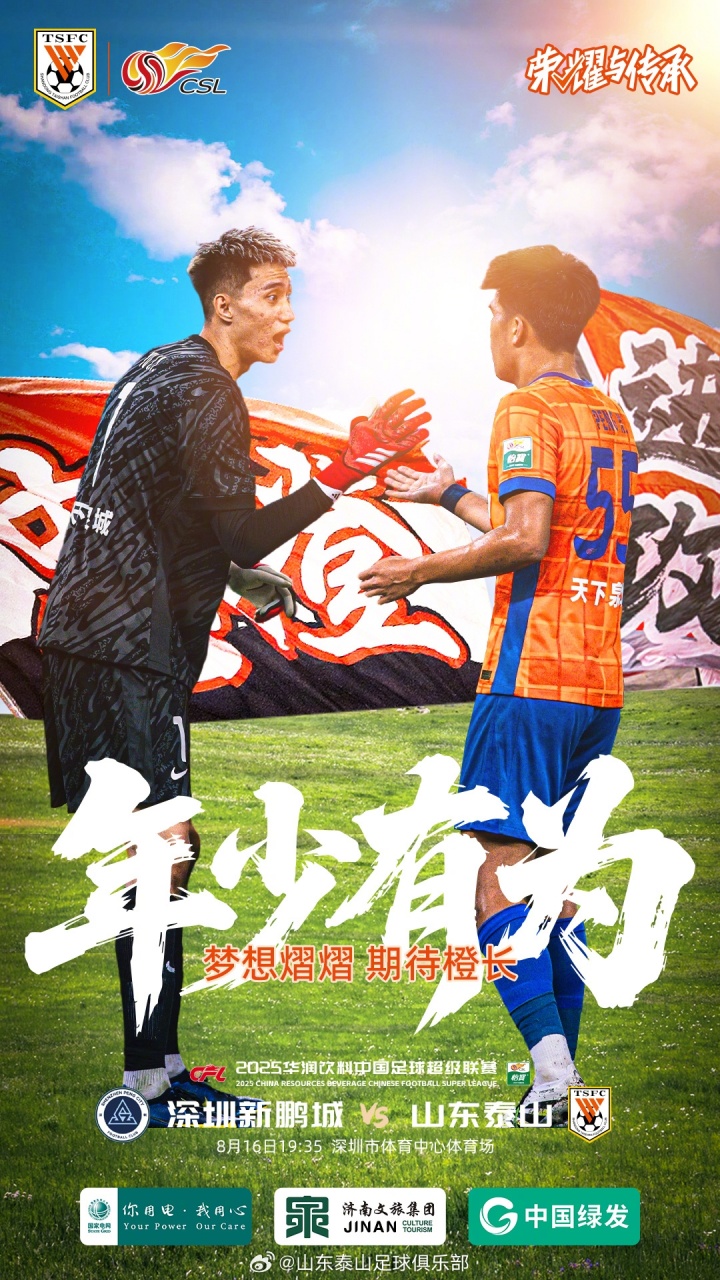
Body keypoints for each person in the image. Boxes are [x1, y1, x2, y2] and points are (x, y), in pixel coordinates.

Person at [40, 225, 430, 1127]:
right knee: (162, 849)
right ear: (224, 304)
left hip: (92, 635)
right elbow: (241, 528)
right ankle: (152, 1083)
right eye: (270, 296)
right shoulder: (210, 391)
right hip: (127, 644)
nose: (287, 315)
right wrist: (345, 471)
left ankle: (161, 1067)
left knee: (165, 848)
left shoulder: (154, 368)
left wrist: (240, 577)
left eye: (291, 296)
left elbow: (160, 509)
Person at [360, 244, 637, 1125]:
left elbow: (523, 540)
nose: (488, 330)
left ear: (515, 323)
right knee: (553, 879)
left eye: (490, 314)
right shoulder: (610, 416)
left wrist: (416, 570)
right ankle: (562, 1087)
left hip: (528, 681)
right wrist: (447, 493)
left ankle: (552, 1075)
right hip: (596, 686)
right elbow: (545, 528)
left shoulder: (526, 405)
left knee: (501, 879)